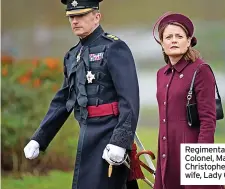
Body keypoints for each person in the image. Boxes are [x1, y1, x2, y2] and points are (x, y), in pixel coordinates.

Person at [23, 0, 141, 188]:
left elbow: (130, 100)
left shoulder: (114, 48)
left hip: (110, 135)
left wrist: (120, 141)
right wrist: (39, 138)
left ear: (97, 17)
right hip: (87, 133)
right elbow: (62, 102)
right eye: (71, 17)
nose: (75, 21)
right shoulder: (72, 55)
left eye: (81, 15)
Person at [152, 12, 225, 189]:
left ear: (189, 41)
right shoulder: (161, 74)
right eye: (168, 37)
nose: (174, 40)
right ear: (162, 43)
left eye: (179, 36)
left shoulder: (201, 70)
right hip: (167, 151)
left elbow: (208, 120)